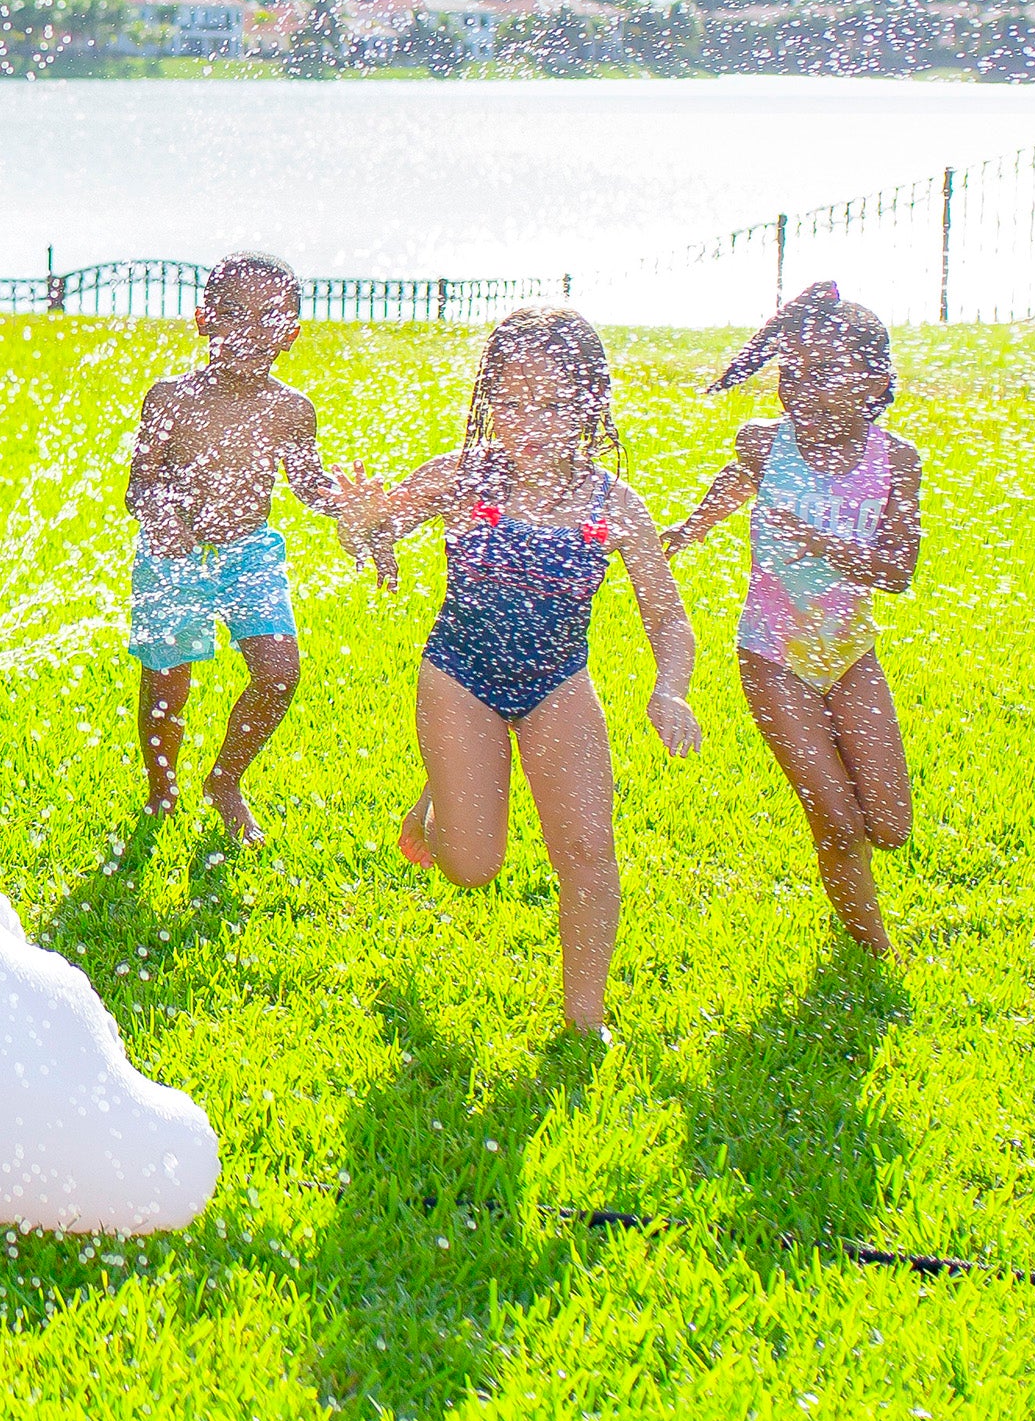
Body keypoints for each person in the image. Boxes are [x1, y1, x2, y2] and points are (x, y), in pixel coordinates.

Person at [341, 306, 698, 1038]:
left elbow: (668, 617)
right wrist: (362, 522)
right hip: (460, 676)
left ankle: (585, 1020)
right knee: (472, 867)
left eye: (554, 404)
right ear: (487, 401)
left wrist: (670, 686)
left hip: (559, 683)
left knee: (589, 851)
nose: (529, 421)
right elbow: (379, 535)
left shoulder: (614, 505)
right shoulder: (461, 477)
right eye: (511, 401)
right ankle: (441, 798)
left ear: (591, 405)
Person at [663, 281, 921, 956]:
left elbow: (897, 573)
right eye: (794, 373)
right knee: (836, 818)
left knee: (889, 826)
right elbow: (737, 478)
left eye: (827, 372)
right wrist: (692, 527)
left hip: (850, 652)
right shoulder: (761, 442)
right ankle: (874, 954)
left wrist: (819, 541)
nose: (803, 388)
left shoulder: (895, 461)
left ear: (876, 382)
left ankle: (852, 860)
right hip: (772, 654)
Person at [124, 254, 387, 843]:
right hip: (174, 558)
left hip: (248, 554)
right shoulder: (168, 400)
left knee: (279, 673)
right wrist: (162, 513)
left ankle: (225, 780)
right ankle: (161, 788)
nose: (249, 331)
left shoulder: (291, 410)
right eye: (233, 314)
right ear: (203, 320)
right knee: (168, 682)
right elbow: (140, 484)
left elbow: (309, 485)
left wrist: (346, 502)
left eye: (268, 317)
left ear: (291, 333)